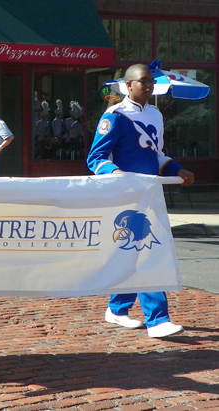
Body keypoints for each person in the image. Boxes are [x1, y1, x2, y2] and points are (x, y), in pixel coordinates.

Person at [87, 63, 194, 339]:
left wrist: (177, 169)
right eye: (143, 81)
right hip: (125, 195)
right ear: (129, 85)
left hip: (151, 192)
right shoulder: (115, 115)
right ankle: (157, 319)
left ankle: (117, 309)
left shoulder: (156, 114)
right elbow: (95, 159)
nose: (148, 86)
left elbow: (155, 155)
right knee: (148, 250)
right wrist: (118, 174)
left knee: (134, 252)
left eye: (151, 82)